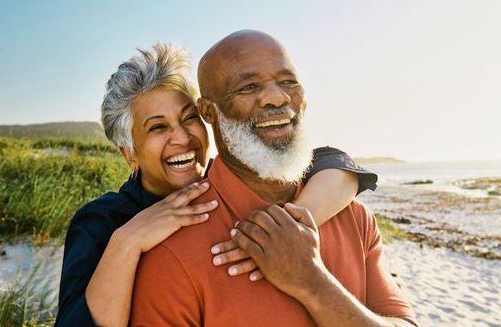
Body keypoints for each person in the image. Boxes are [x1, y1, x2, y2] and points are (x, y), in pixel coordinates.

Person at [55, 43, 379, 326]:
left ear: (208, 116)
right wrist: (127, 242)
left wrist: (289, 225)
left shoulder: (234, 179)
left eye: (188, 118)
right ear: (129, 154)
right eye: (157, 128)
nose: (181, 139)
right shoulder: (102, 222)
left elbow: (333, 162)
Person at [130, 30, 417, 326]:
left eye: (288, 82)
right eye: (249, 86)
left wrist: (312, 283)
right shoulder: (170, 254)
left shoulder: (354, 218)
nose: (277, 98)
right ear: (208, 112)